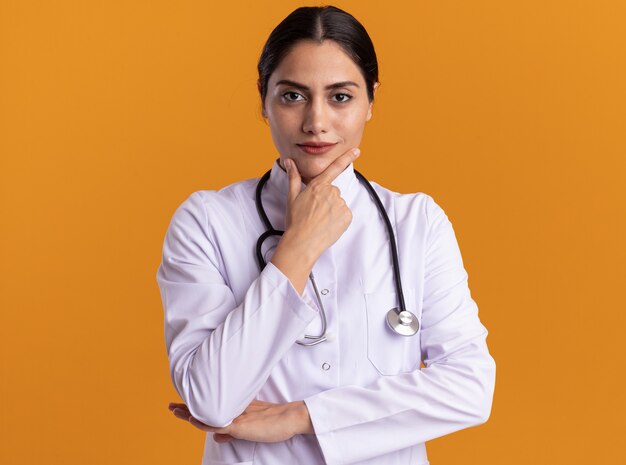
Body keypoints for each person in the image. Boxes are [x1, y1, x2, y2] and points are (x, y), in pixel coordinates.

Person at [156, 5, 496, 465]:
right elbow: (211, 398)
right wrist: (298, 247)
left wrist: (303, 416)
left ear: (371, 100)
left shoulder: (417, 223)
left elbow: (469, 388)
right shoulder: (208, 222)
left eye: (340, 97)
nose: (316, 121)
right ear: (263, 98)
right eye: (293, 96)